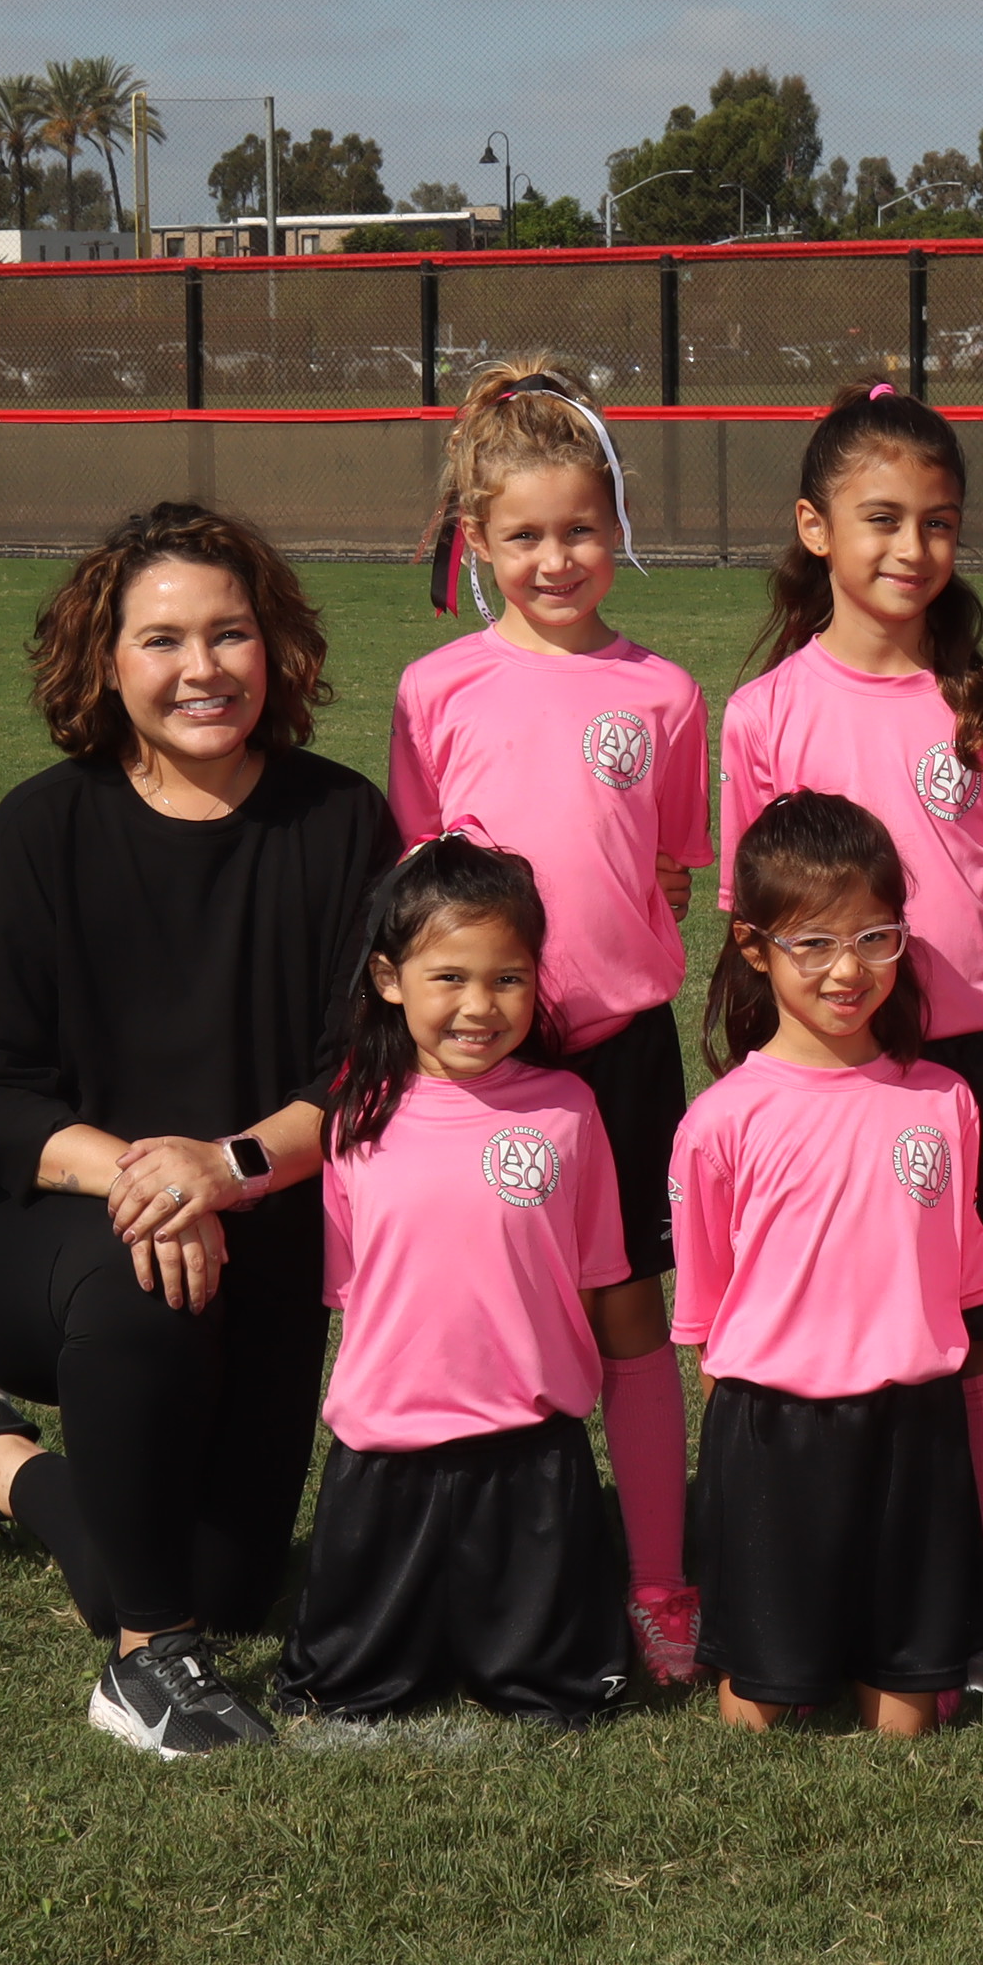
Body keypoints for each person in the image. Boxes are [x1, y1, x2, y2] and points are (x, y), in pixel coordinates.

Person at [0, 499, 402, 1761]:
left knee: (226, 1580)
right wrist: (147, 1176)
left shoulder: (340, 824)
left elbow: (365, 1068)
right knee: (137, 1288)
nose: (201, 668)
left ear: (274, 646)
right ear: (106, 664)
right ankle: (147, 1665)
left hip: (248, 1222)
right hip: (27, 1223)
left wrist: (225, 1168)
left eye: (229, 633)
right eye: (162, 640)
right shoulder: (42, 830)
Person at [387, 361, 709, 1687]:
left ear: (617, 523)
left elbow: (668, 869)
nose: (556, 557)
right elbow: (421, 886)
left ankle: (659, 1582)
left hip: (621, 1051)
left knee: (629, 1314)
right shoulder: (435, 689)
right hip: (477, 1066)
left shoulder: (664, 693)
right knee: (481, 1315)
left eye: (580, 527)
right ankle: (479, 1565)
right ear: (477, 540)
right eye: (524, 534)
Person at [718, 383, 983, 1596]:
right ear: (816, 528)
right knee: (851, 1321)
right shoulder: (763, 713)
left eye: (939, 521)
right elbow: (756, 925)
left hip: (969, 1060)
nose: (913, 547)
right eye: (883, 517)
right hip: (829, 1076)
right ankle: (843, 1568)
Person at [271, 842, 646, 1727]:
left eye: (508, 979)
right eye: (450, 978)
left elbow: (594, 1281)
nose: (480, 1006)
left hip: (531, 1456)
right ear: (388, 980)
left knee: (556, 1690)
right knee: (345, 1686)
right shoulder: (354, 1119)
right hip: (385, 1452)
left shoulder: (568, 1111)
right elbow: (356, 1290)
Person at [667, 792, 983, 1736]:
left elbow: (963, 1287)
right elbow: (707, 1320)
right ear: (753, 946)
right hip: (773, 1431)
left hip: (913, 1427)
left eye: (873, 939)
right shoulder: (721, 1122)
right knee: (762, 1707)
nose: (848, 969)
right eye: (813, 943)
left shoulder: (945, 1101)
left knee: (905, 1720)